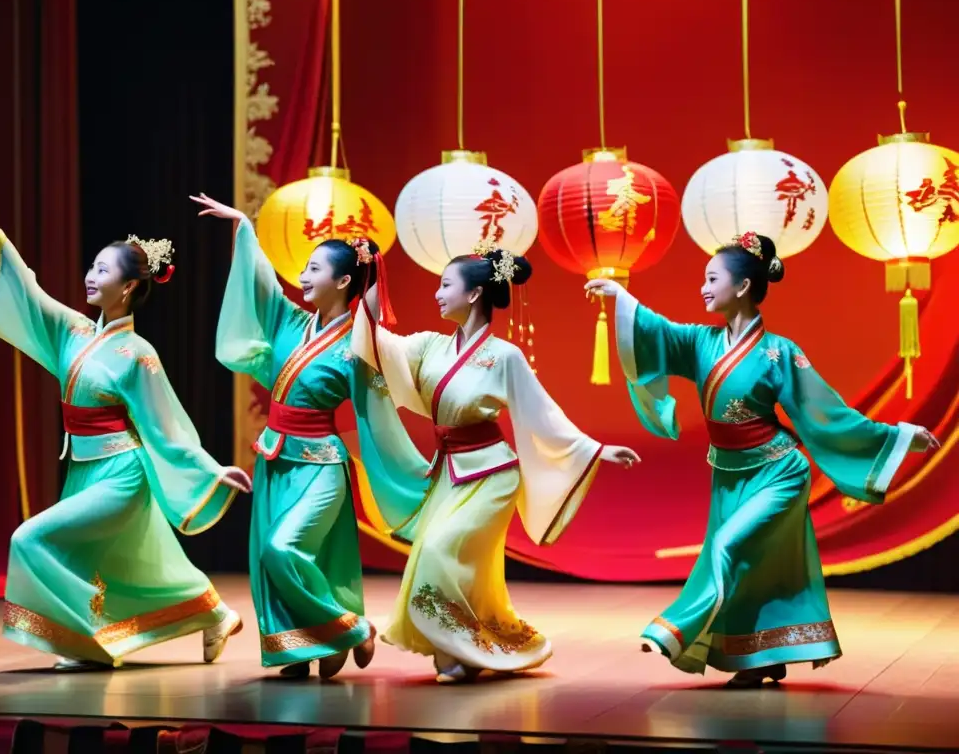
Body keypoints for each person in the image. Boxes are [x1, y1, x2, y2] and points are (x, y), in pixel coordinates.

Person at [586, 230, 939, 688]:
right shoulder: (700, 342)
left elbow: (828, 414)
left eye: (713, 278)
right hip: (729, 474)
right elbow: (657, 332)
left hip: (779, 471)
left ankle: (674, 629)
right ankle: (762, 657)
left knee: (726, 547)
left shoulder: (780, 352)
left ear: (743, 286)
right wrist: (621, 297)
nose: (703, 288)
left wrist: (900, 436)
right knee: (752, 569)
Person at [0, 195, 252, 671]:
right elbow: (32, 297)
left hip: (122, 476)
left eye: (103, 270)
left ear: (130, 286)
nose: (91, 276)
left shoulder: (138, 354)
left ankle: (83, 642)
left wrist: (212, 470)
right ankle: (215, 615)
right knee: (138, 568)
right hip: (84, 470)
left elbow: (166, 427)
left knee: (29, 539)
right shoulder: (74, 331)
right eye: (92, 267)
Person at [351, 244, 641, 684]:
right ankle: (468, 647)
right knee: (459, 566)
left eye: (446, 285)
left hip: (492, 475)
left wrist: (595, 449)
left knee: (438, 549)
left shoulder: (505, 356)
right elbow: (373, 341)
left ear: (473, 295)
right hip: (447, 473)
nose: (436, 294)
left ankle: (455, 650)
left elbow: (542, 412)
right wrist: (373, 273)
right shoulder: (429, 346)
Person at [192, 193, 430, 679]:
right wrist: (244, 229)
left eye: (314, 268)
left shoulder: (359, 345)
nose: (302, 275)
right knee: (267, 557)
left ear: (343, 281)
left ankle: (348, 628)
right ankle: (299, 648)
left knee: (285, 548)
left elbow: (379, 410)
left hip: (322, 466)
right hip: (275, 461)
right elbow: (260, 286)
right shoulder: (291, 322)